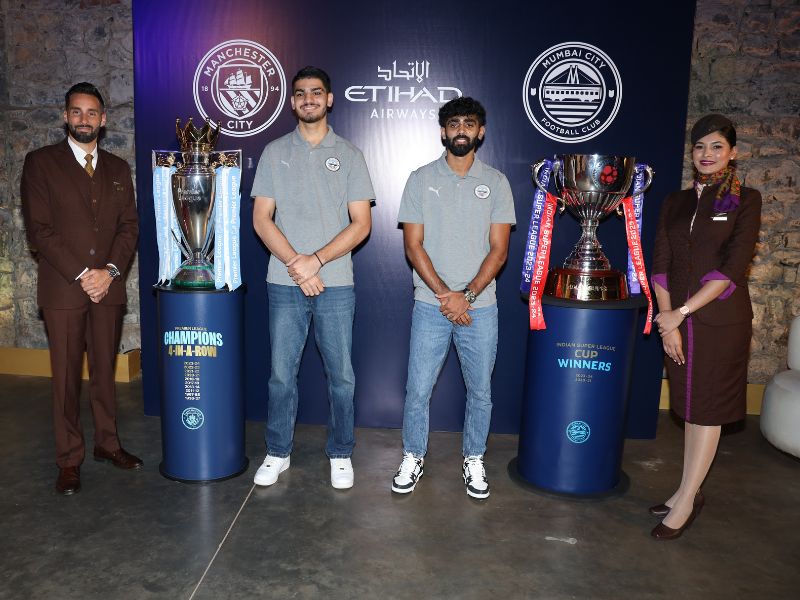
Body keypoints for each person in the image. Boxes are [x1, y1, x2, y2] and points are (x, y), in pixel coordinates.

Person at [251, 66, 374, 490]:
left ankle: (341, 452)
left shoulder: (351, 155)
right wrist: (297, 264)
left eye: (316, 92)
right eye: (301, 93)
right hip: (284, 281)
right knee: (281, 375)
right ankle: (277, 451)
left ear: (329, 99)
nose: (309, 99)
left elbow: (362, 224)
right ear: (292, 102)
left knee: (341, 376)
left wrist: (316, 261)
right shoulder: (274, 152)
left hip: (335, 283)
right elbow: (261, 218)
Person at [21, 82, 142, 495]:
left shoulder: (118, 169)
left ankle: (108, 444)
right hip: (63, 290)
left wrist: (108, 271)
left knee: (105, 372)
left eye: (92, 113)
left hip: (108, 288)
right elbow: (39, 230)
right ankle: (69, 459)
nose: (84, 119)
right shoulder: (41, 164)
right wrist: (84, 273)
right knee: (66, 379)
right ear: (65, 116)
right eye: (77, 112)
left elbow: (129, 228)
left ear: (103, 120)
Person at [391, 97, 515, 499]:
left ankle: (474, 457)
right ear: (444, 131)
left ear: (481, 131)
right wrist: (448, 296)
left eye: (470, 123)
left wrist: (468, 296)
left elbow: (499, 250)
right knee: (418, 390)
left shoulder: (496, 182)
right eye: (454, 123)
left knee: (480, 391)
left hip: (481, 307)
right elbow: (413, 245)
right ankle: (413, 454)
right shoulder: (419, 178)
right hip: (431, 305)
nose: (462, 129)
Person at [650, 113, 761, 539]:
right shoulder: (675, 202)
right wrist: (668, 320)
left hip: (719, 323)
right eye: (699, 147)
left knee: (708, 409)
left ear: (733, 153)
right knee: (691, 409)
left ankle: (686, 502)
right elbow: (661, 263)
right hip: (677, 321)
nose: (707, 154)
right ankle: (687, 490)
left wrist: (682, 312)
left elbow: (731, 268)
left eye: (716, 146)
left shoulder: (746, 200)